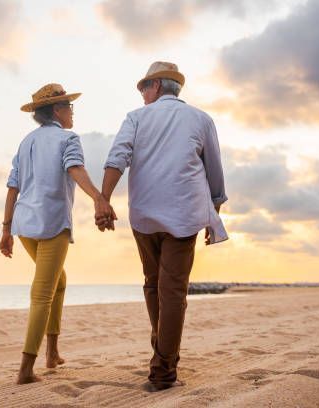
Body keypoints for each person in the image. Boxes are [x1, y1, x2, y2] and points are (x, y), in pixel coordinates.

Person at [98, 61, 228, 392]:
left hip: (143, 216)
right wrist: (214, 214)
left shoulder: (136, 118)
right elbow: (214, 172)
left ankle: (162, 352)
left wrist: (104, 199)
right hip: (185, 215)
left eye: (144, 87)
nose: (141, 93)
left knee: (154, 284)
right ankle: (164, 367)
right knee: (172, 291)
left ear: (156, 86)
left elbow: (117, 158)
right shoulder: (201, 119)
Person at [0, 83, 114, 384]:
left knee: (58, 281)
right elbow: (76, 169)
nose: (72, 112)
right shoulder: (68, 138)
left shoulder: (26, 142)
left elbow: (13, 187)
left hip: (24, 225)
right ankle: (25, 370)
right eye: (69, 107)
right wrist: (99, 198)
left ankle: (52, 353)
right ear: (57, 111)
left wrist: (6, 229)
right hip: (51, 225)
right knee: (42, 293)